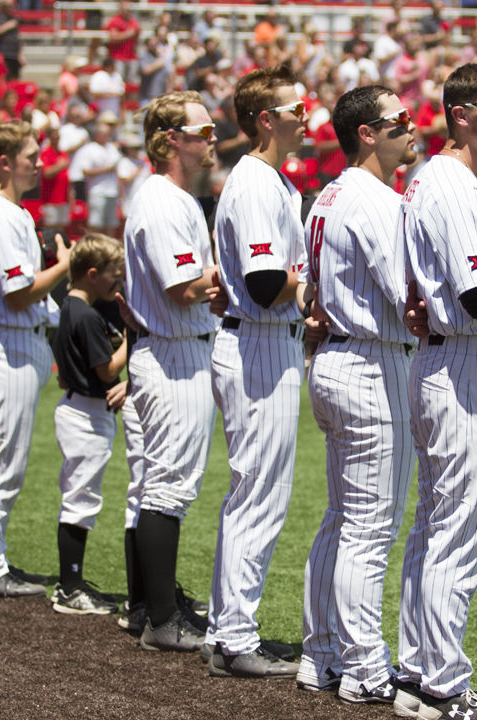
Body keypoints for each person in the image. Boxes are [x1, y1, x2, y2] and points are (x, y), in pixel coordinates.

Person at [395, 63, 477, 720]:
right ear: (461, 112)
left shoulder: (445, 180)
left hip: (447, 357)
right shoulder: (451, 182)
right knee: (456, 531)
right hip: (463, 359)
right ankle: (441, 681)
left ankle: (417, 669)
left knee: (437, 526)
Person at [296, 85, 418, 704]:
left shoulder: (330, 194)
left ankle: (320, 654)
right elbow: (409, 293)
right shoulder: (374, 199)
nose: (411, 126)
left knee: (342, 519)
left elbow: (305, 284)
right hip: (371, 360)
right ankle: (365, 665)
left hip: (337, 355)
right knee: (369, 527)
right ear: (366, 133)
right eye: (398, 119)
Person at [205, 65, 308, 678]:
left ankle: (229, 628)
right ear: (266, 119)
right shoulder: (254, 183)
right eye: (295, 107)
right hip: (259, 346)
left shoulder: (269, 180)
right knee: (257, 495)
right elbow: (267, 283)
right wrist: (319, 279)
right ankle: (234, 637)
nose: (306, 115)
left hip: (265, 343)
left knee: (258, 492)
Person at [123, 91, 221, 651]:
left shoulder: (171, 197)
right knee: (167, 487)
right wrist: (230, 272)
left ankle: (149, 606)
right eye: (201, 131)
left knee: (156, 485)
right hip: (173, 350)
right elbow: (184, 289)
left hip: (172, 347)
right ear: (169, 141)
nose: (211, 138)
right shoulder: (163, 199)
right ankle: (161, 620)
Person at [0, 121, 71, 597]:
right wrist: (67, 266)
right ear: (5, 162)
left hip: (18, 339)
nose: (40, 161)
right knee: (2, 459)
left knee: (8, 458)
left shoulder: (13, 212)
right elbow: (18, 293)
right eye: (31, 155)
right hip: (6, 341)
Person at [50, 233, 126, 615]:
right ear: (92, 274)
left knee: (78, 497)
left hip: (76, 406)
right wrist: (131, 339)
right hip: (87, 414)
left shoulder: (68, 307)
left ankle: (71, 583)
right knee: (80, 500)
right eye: (114, 273)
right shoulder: (88, 315)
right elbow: (106, 369)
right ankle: (70, 587)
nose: (118, 280)